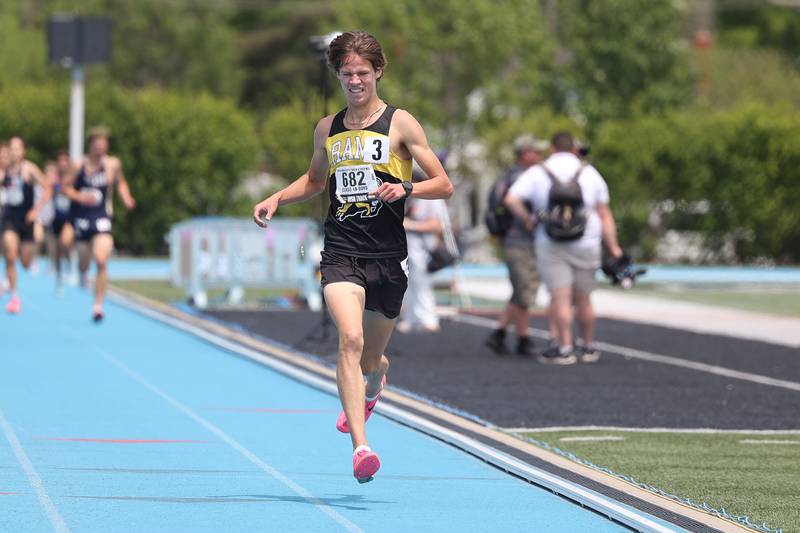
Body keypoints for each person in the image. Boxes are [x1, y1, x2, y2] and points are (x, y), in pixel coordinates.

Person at [252, 30, 453, 484]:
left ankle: (376, 382)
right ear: (338, 75)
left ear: (378, 72)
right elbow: (315, 180)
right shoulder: (328, 128)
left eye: (363, 72)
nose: (355, 81)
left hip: (388, 256)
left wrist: (406, 187)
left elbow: (444, 184)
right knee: (349, 338)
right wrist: (277, 199)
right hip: (342, 251)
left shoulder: (401, 123)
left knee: (370, 359)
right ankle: (361, 448)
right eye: (347, 74)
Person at [505, 131, 622, 364]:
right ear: (575, 148)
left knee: (560, 298)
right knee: (584, 299)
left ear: (552, 148)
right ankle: (588, 346)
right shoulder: (589, 173)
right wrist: (614, 248)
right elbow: (604, 213)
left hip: (551, 240)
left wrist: (529, 219)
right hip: (586, 240)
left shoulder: (539, 172)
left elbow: (511, 199)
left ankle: (565, 346)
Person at [63, 127, 136, 322]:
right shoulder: (79, 165)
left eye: (104, 143)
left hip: (102, 216)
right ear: (91, 144)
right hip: (82, 218)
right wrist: (80, 197)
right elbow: (65, 187)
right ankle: (82, 272)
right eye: (97, 143)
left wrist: (126, 198)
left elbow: (120, 183)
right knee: (84, 262)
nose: (100, 147)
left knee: (101, 260)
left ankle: (98, 305)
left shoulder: (112, 164)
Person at [485, 136, 547, 356]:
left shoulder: (510, 175)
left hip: (517, 240)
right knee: (524, 290)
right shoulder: (523, 177)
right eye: (536, 152)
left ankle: (501, 333)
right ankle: (522, 337)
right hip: (520, 240)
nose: (540, 156)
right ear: (525, 154)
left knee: (522, 289)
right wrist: (529, 219)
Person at [1, 136, 51, 314]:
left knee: (25, 262)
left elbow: (48, 188)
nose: (14, 152)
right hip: (9, 219)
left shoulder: (29, 169)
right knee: (10, 254)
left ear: (23, 151)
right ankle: (14, 296)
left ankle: (11, 280)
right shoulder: (3, 171)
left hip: (26, 220)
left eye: (17, 148)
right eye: (11, 148)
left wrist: (36, 211)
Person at [397, 170, 451, 333]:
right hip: (406, 244)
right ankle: (411, 317)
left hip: (423, 246)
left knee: (422, 282)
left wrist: (410, 225)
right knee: (406, 283)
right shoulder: (407, 198)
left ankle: (428, 317)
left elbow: (438, 225)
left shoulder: (430, 199)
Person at [46, 150, 76, 292]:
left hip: (69, 217)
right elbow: (46, 193)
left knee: (66, 242)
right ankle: (59, 276)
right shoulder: (54, 180)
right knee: (56, 251)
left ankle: (70, 266)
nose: (63, 164)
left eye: (65, 161)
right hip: (56, 218)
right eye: (60, 161)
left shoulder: (74, 179)